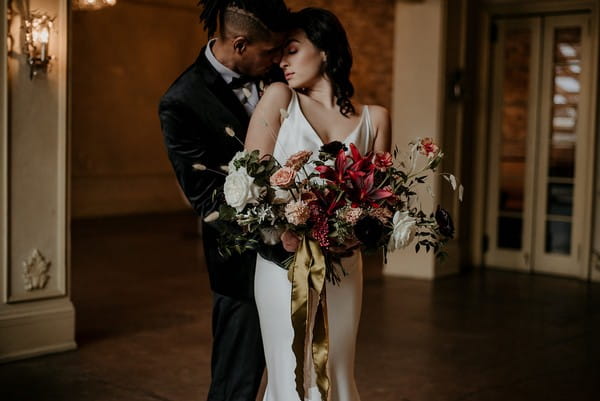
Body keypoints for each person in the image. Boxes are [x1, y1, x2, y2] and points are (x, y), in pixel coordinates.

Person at [244, 7, 392, 401]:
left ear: (325, 50)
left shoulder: (374, 120)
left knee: (337, 370)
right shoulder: (279, 99)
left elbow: (383, 204)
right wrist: (285, 229)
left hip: (343, 267)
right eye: (280, 54)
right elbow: (247, 187)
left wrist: (358, 234)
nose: (282, 61)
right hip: (283, 266)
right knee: (288, 373)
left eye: (292, 50)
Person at [158, 1, 289, 400]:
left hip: (304, 247)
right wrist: (276, 229)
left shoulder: (284, 73)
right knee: (237, 380)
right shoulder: (181, 101)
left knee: (293, 370)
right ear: (241, 44)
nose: (278, 58)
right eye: (269, 51)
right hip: (242, 263)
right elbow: (204, 197)